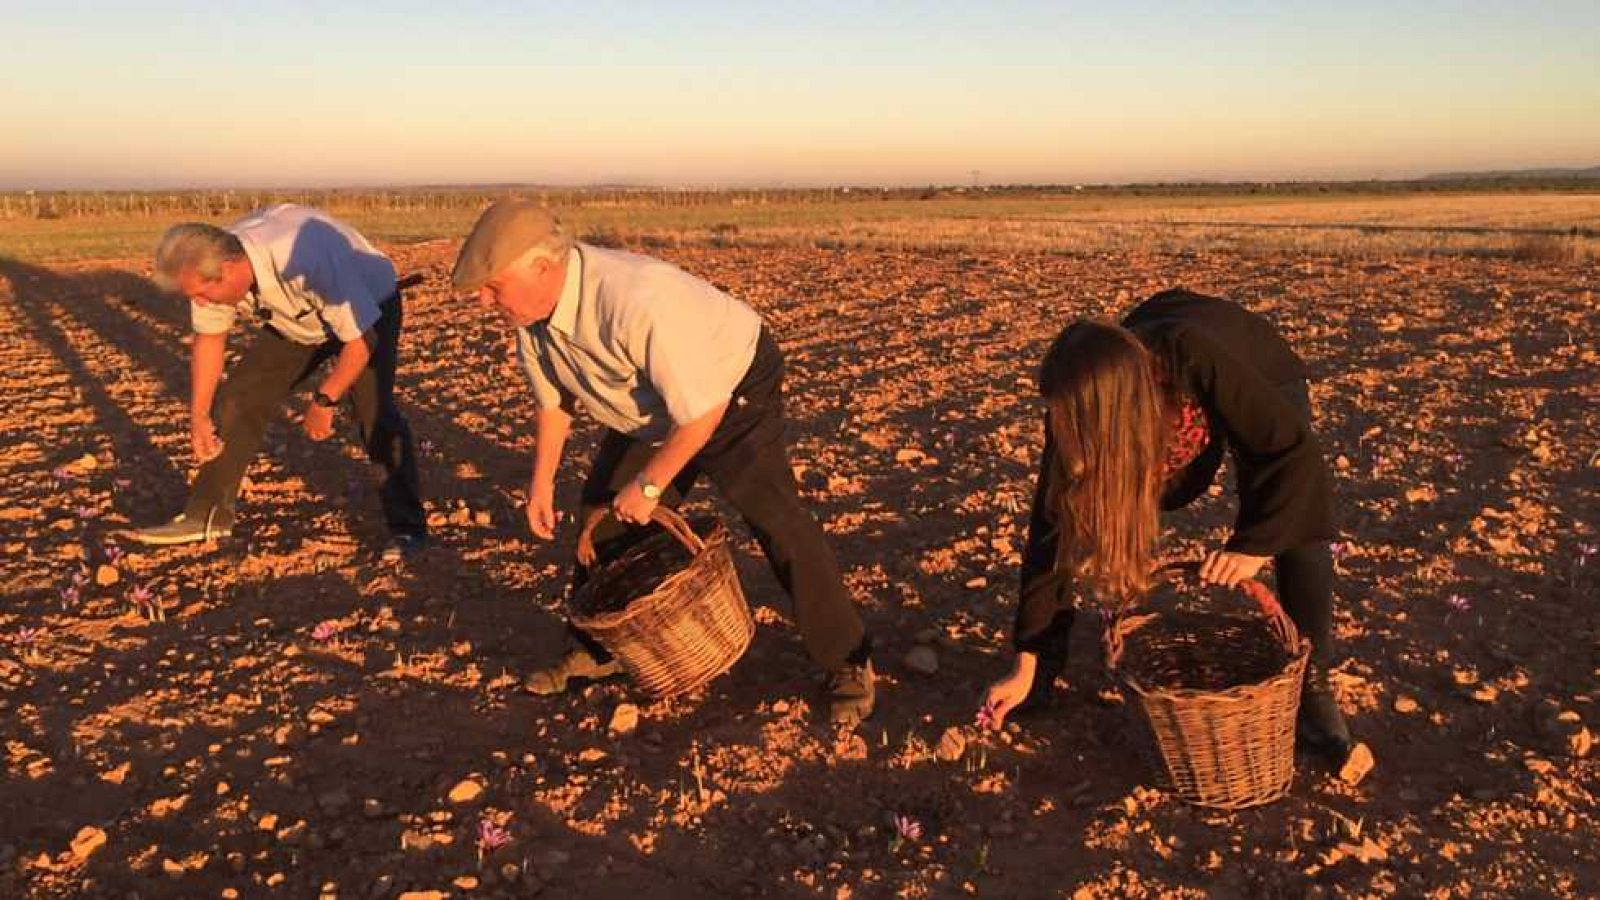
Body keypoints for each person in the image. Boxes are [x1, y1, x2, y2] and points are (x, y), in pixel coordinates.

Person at [451, 200, 875, 724]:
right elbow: (553, 404)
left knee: (774, 517)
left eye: (493, 287)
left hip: (730, 386)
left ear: (543, 266)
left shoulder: (638, 300)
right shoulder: (531, 319)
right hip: (649, 406)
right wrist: (541, 484)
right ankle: (596, 651)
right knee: (602, 520)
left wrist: (651, 486)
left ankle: (848, 660)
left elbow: (702, 413)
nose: (484, 301)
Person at [983, 288, 1352, 761]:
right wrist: (1029, 661)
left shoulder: (1189, 355)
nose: (1060, 428)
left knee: (1292, 514)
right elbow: (1050, 532)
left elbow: (1293, 457)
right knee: (1084, 493)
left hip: (1256, 366)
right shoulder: (1076, 406)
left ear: (1108, 413)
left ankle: (1315, 687)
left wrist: (1253, 547)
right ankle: (1046, 667)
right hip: (1148, 390)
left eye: (1069, 420)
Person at [126, 205, 426, 561]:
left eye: (202, 295)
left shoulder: (305, 260)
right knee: (240, 397)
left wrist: (323, 401)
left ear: (228, 271)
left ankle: (408, 530)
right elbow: (209, 340)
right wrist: (199, 416)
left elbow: (361, 342)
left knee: (372, 411)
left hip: (367, 307)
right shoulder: (212, 263)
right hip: (298, 321)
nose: (199, 303)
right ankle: (206, 515)